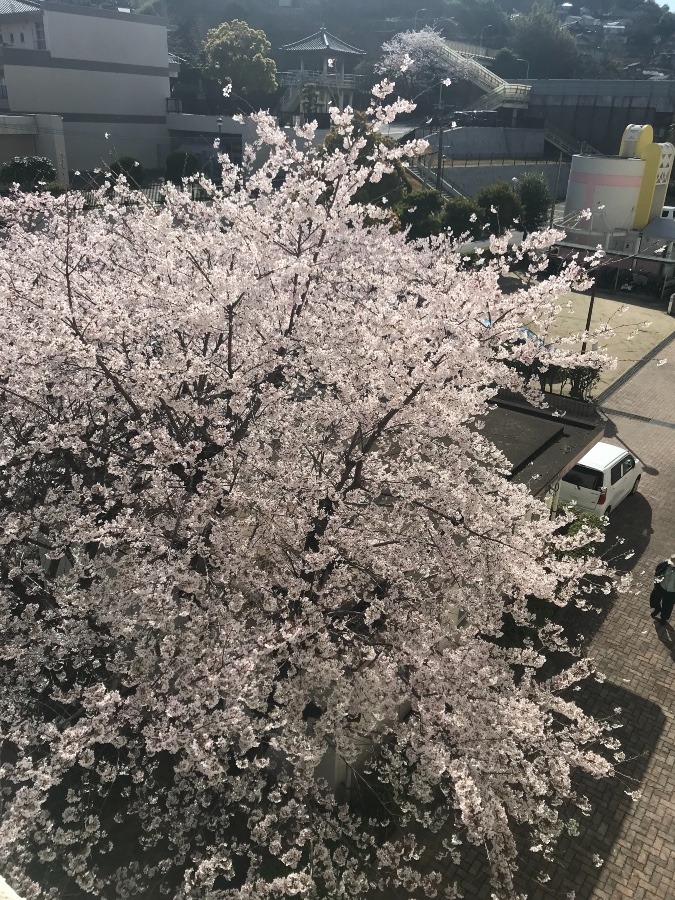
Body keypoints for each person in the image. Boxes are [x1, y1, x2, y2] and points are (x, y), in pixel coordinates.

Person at [650, 555, 675, 625]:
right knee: (654, 599)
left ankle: (663, 618)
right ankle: (657, 609)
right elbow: (658, 570)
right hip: (661, 587)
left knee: (667, 606)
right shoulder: (665, 564)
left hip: (672, 592)